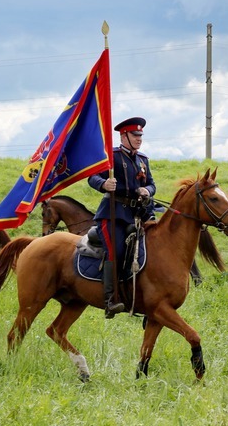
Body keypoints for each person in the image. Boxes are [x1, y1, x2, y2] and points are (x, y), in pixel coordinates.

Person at [88, 116, 156, 319]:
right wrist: (103, 184)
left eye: (140, 135)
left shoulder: (143, 159)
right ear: (123, 135)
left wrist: (147, 190)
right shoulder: (111, 156)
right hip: (113, 214)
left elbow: (152, 184)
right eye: (135, 135)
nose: (139, 138)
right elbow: (92, 177)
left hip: (139, 213)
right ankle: (110, 300)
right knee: (116, 250)